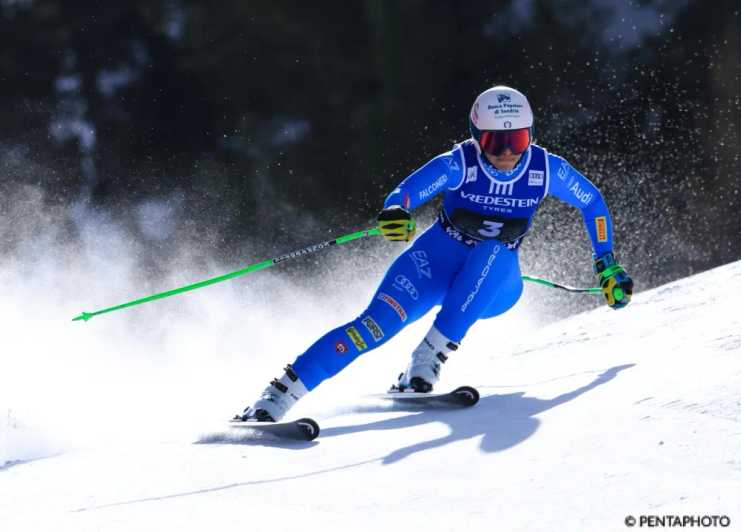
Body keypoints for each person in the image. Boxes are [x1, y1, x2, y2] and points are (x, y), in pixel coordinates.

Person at [235, 85, 633, 422]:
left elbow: (592, 203)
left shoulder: (547, 169)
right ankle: (274, 399)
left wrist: (606, 263)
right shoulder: (459, 163)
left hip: (495, 286)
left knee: (493, 252)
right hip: (433, 266)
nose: (508, 152)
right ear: (478, 136)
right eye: (497, 141)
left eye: (519, 140)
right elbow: (406, 193)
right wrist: (397, 213)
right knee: (372, 327)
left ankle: (427, 359)